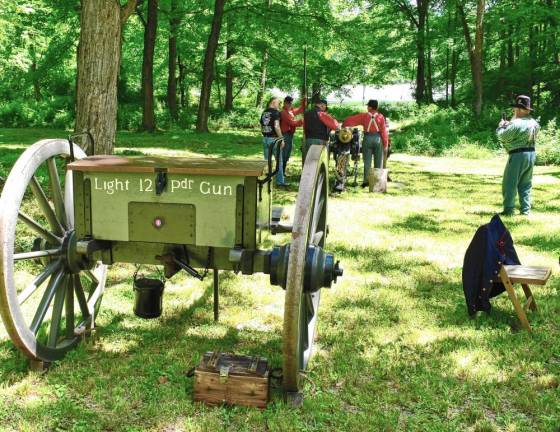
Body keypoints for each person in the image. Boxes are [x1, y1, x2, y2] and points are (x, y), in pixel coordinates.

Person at [496, 95, 540, 215]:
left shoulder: (515, 123)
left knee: (510, 183)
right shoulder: (535, 123)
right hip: (531, 154)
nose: (514, 111)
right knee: (526, 183)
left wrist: (501, 126)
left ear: (520, 110)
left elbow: (503, 136)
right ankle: (525, 210)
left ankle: (509, 210)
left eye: (516, 109)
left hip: (517, 155)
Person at [342, 99, 388, 188]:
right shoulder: (381, 117)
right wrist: (385, 144)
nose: (367, 107)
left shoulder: (364, 116)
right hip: (378, 138)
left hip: (367, 138)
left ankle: (366, 181)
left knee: (367, 161)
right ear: (377, 107)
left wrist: (344, 124)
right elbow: (383, 132)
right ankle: (377, 183)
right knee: (379, 161)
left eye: (368, 106)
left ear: (370, 107)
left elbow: (350, 120)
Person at [260, 97, 287, 187]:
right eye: (278, 103)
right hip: (274, 139)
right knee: (279, 161)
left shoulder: (264, 112)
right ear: (273, 102)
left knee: (267, 161)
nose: (279, 105)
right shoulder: (276, 113)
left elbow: (262, 125)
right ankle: (280, 182)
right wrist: (281, 139)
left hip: (265, 139)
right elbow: (276, 126)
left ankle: (266, 180)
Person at [280, 95, 306, 176]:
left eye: (290, 103)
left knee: (287, 153)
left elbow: (300, 109)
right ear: (284, 103)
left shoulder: (290, 111)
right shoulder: (283, 113)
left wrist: (304, 100)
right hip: (285, 135)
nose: (289, 105)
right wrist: (301, 121)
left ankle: (282, 172)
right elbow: (292, 123)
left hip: (289, 135)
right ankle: (281, 172)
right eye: (288, 103)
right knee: (284, 153)